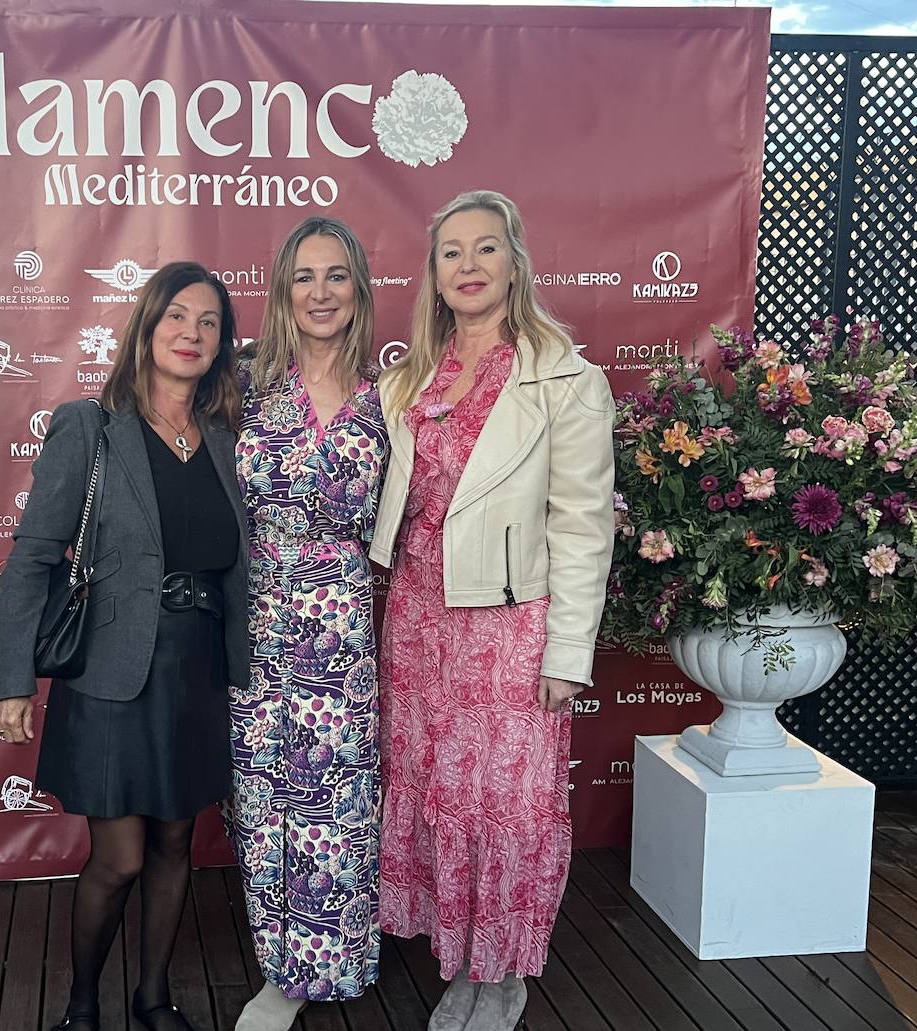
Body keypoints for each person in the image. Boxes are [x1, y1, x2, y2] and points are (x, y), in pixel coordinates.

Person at [371, 191, 614, 1031]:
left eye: (484, 249)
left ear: (515, 260)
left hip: (509, 628)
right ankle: (460, 954)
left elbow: (582, 524)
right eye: (450, 253)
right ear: (434, 274)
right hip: (415, 621)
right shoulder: (409, 376)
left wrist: (567, 651)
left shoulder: (568, 379)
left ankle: (501, 973)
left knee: (505, 801)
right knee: (438, 790)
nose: (467, 266)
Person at [0, 262, 248, 1031]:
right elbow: (32, 558)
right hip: (112, 672)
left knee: (177, 843)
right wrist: (13, 681)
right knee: (122, 857)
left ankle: (152, 997)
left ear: (221, 343)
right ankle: (81, 1006)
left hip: (197, 669)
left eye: (208, 322)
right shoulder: (90, 426)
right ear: (145, 325)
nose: (191, 334)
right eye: (176, 316)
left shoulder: (230, 440)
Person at [229, 216, 389, 1031]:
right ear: (283, 291)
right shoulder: (245, 384)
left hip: (344, 614)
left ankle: (341, 954)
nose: (320, 292)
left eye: (336, 275)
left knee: (335, 791)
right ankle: (282, 972)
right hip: (256, 612)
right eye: (304, 276)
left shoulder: (388, 392)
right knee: (268, 793)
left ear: (358, 287)